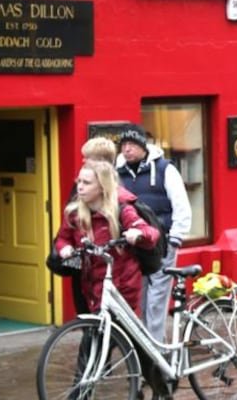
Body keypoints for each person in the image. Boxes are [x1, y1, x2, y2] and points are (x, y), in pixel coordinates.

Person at [54, 160, 160, 315]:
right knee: (96, 334)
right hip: (91, 287)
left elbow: (151, 233)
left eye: (87, 183)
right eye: (79, 181)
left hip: (122, 287)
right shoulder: (74, 213)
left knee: (118, 335)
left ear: (102, 187)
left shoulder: (121, 210)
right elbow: (63, 238)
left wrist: (138, 234)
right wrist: (64, 248)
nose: (80, 187)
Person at [116, 126, 192, 342]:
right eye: (124, 146)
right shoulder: (118, 172)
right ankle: (146, 347)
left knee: (156, 300)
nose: (127, 150)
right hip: (134, 245)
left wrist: (175, 239)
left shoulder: (164, 169)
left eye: (132, 145)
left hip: (162, 243)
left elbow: (181, 205)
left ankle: (156, 349)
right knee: (140, 298)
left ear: (143, 146)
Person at [64, 137, 140, 315]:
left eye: (87, 158)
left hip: (105, 267)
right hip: (87, 262)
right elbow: (68, 227)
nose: (83, 161)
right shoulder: (90, 185)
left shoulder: (113, 193)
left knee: (102, 324)